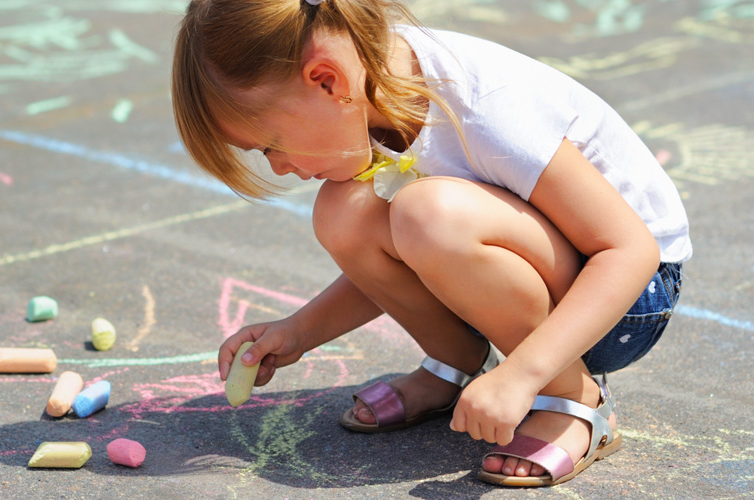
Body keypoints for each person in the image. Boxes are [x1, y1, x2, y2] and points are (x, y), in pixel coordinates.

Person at [171, 0, 690, 487]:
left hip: (624, 301)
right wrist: (300, 331)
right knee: (343, 211)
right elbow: (400, 251)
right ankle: (453, 363)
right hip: (534, 282)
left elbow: (629, 251)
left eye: (270, 146)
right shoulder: (365, 88)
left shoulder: (485, 108)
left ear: (325, 80)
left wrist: (523, 375)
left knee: (428, 213)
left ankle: (574, 398)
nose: (279, 166)